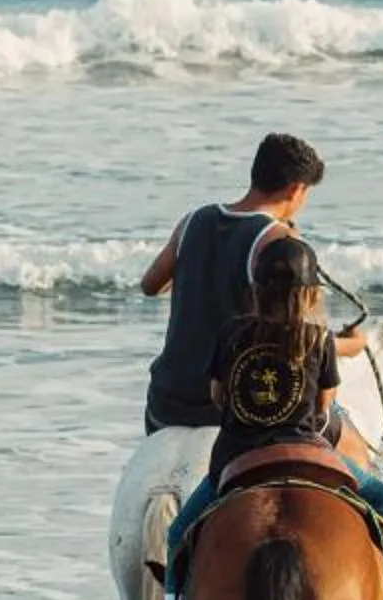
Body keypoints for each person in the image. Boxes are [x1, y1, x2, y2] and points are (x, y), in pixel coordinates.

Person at [141, 236, 383, 600]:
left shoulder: (231, 333)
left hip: (237, 458)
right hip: (307, 450)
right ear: (312, 293)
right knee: (381, 498)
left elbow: (218, 395)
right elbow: (323, 407)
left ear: (255, 288)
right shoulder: (317, 340)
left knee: (180, 532)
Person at [141, 130, 336, 435]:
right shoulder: (280, 240)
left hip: (165, 401)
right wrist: (352, 346)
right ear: (296, 189)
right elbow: (297, 338)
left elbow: (151, 285)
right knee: (333, 426)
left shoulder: (193, 219)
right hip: (228, 405)